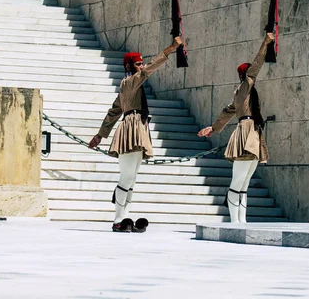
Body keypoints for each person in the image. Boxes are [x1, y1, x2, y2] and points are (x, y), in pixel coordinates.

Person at [89, 37, 182, 232]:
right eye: (138, 63)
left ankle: (125, 217)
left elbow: (114, 110)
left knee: (131, 178)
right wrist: (171, 48)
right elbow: (151, 68)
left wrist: (100, 135)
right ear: (129, 66)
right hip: (131, 129)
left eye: (141, 63)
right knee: (127, 176)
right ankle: (118, 219)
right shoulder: (130, 81)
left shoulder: (129, 85)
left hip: (138, 128)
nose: (141, 66)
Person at [197, 33, 274, 223]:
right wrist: (266, 42)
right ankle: (234, 221)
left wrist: (213, 128)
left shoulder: (244, 94)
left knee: (244, 182)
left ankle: (242, 221)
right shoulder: (244, 87)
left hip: (253, 132)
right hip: (246, 132)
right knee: (238, 182)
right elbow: (256, 66)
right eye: (249, 75)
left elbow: (229, 110)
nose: (253, 77)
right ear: (245, 76)